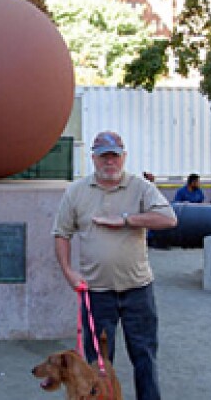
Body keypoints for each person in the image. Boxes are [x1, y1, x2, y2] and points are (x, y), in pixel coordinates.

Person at [52, 130, 178, 400]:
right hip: (96, 293)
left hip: (137, 290)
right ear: (93, 158)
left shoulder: (141, 187)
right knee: (97, 364)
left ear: (124, 157)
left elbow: (168, 219)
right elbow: (61, 234)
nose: (110, 162)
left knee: (144, 357)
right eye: (104, 157)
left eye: (115, 156)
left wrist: (126, 220)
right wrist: (68, 273)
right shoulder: (76, 192)